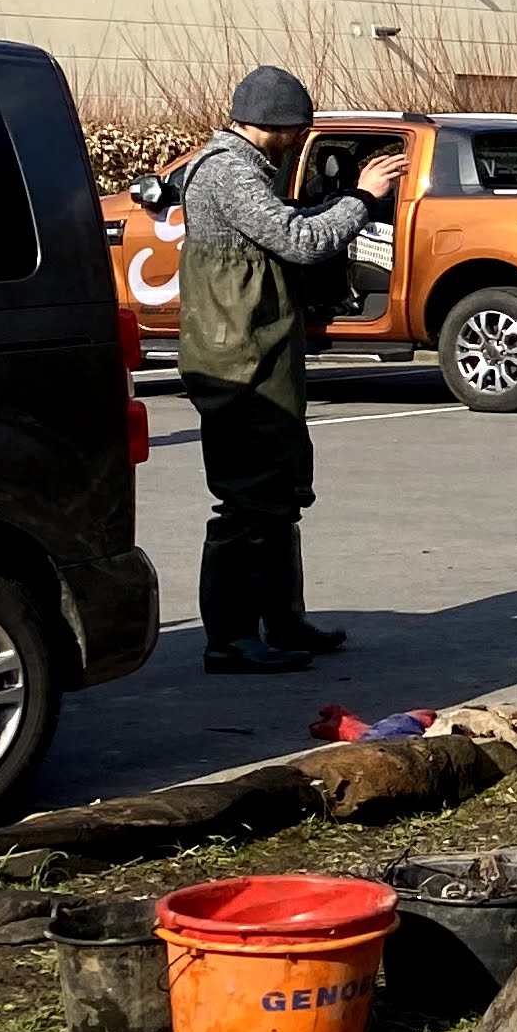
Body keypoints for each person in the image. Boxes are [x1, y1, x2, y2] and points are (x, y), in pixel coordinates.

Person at [172, 65, 405, 674]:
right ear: (273, 124)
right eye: (297, 129)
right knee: (247, 503)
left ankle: (283, 620)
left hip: (258, 353)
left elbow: (285, 228)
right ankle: (230, 639)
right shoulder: (227, 171)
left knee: (278, 496)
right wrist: (361, 198)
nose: (300, 139)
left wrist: (340, 199)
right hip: (239, 362)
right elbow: (299, 241)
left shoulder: (247, 167)